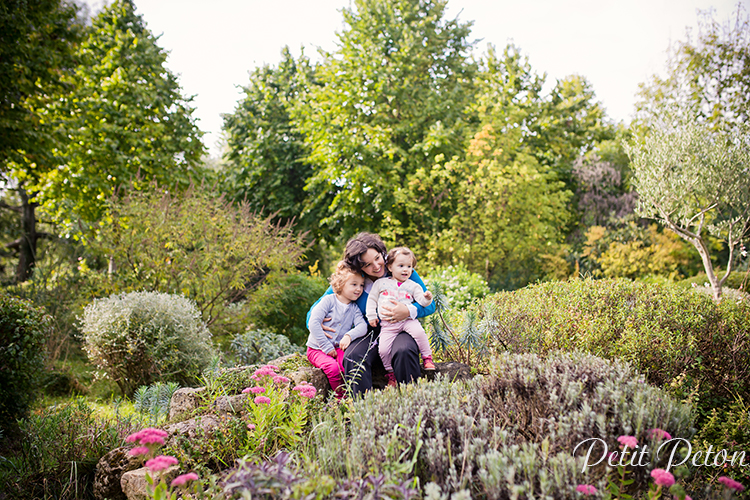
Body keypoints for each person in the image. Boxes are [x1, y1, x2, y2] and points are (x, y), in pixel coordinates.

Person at [307, 232, 436, 396]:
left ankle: (414, 405)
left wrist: (409, 311)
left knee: (403, 351)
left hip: (403, 327)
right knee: (352, 356)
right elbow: (316, 309)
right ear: (358, 267)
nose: (376, 266)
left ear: (382, 252)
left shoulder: (400, 268)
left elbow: (429, 305)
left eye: (377, 258)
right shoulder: (354, 280)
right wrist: (317, 323)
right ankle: (363, 411)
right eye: (367, 264)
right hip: (369, 332)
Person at [366, 247, 435, 386]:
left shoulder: (413, 285)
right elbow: (372, 300)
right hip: (388, 325)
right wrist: (371, 316)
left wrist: (427, 298)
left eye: (409, 266)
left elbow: (423, 302)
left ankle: (427, 357)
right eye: (401, 266)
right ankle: (390, 372)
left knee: (419, 333)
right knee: (383, 349)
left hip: (407, 321)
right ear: (390, 267)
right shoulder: (381, 283)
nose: (406, 270)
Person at [306, 261, 368, 398]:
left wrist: (349, 336)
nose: (359, 289)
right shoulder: (328, 301)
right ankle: (340, 397)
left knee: (347, 365)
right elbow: (313, 323)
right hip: (317, 348)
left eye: (361, 285)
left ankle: (354, 395)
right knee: (333, 368)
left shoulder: (354, 308)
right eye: (354, 284)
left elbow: (362, 326)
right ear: (341, 284)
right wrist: (326, 347)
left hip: (337, 348)